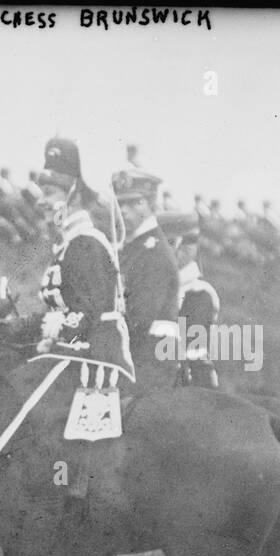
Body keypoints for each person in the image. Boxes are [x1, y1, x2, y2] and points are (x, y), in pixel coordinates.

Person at [0, 138, 131, 383]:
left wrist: (28, 327)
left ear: (73, 195)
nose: (41, 201)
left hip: (98, 366)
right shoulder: (69, 243)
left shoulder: (87, 244)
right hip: (70, 356)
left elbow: (87, 318)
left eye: (50, 193)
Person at [112, 166, 180, 391]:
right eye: (121, 204)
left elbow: (139, 319)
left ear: (152, 205)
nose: (125, 210)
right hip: (133, 358)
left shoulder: (154, 252)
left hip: (149, 365)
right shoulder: (132, 248)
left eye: (135, 203)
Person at [157, 211, 219, 388]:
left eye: (169, 244)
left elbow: (192, 352)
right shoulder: (158, 285)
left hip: (186, 385)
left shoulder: (198, 292)